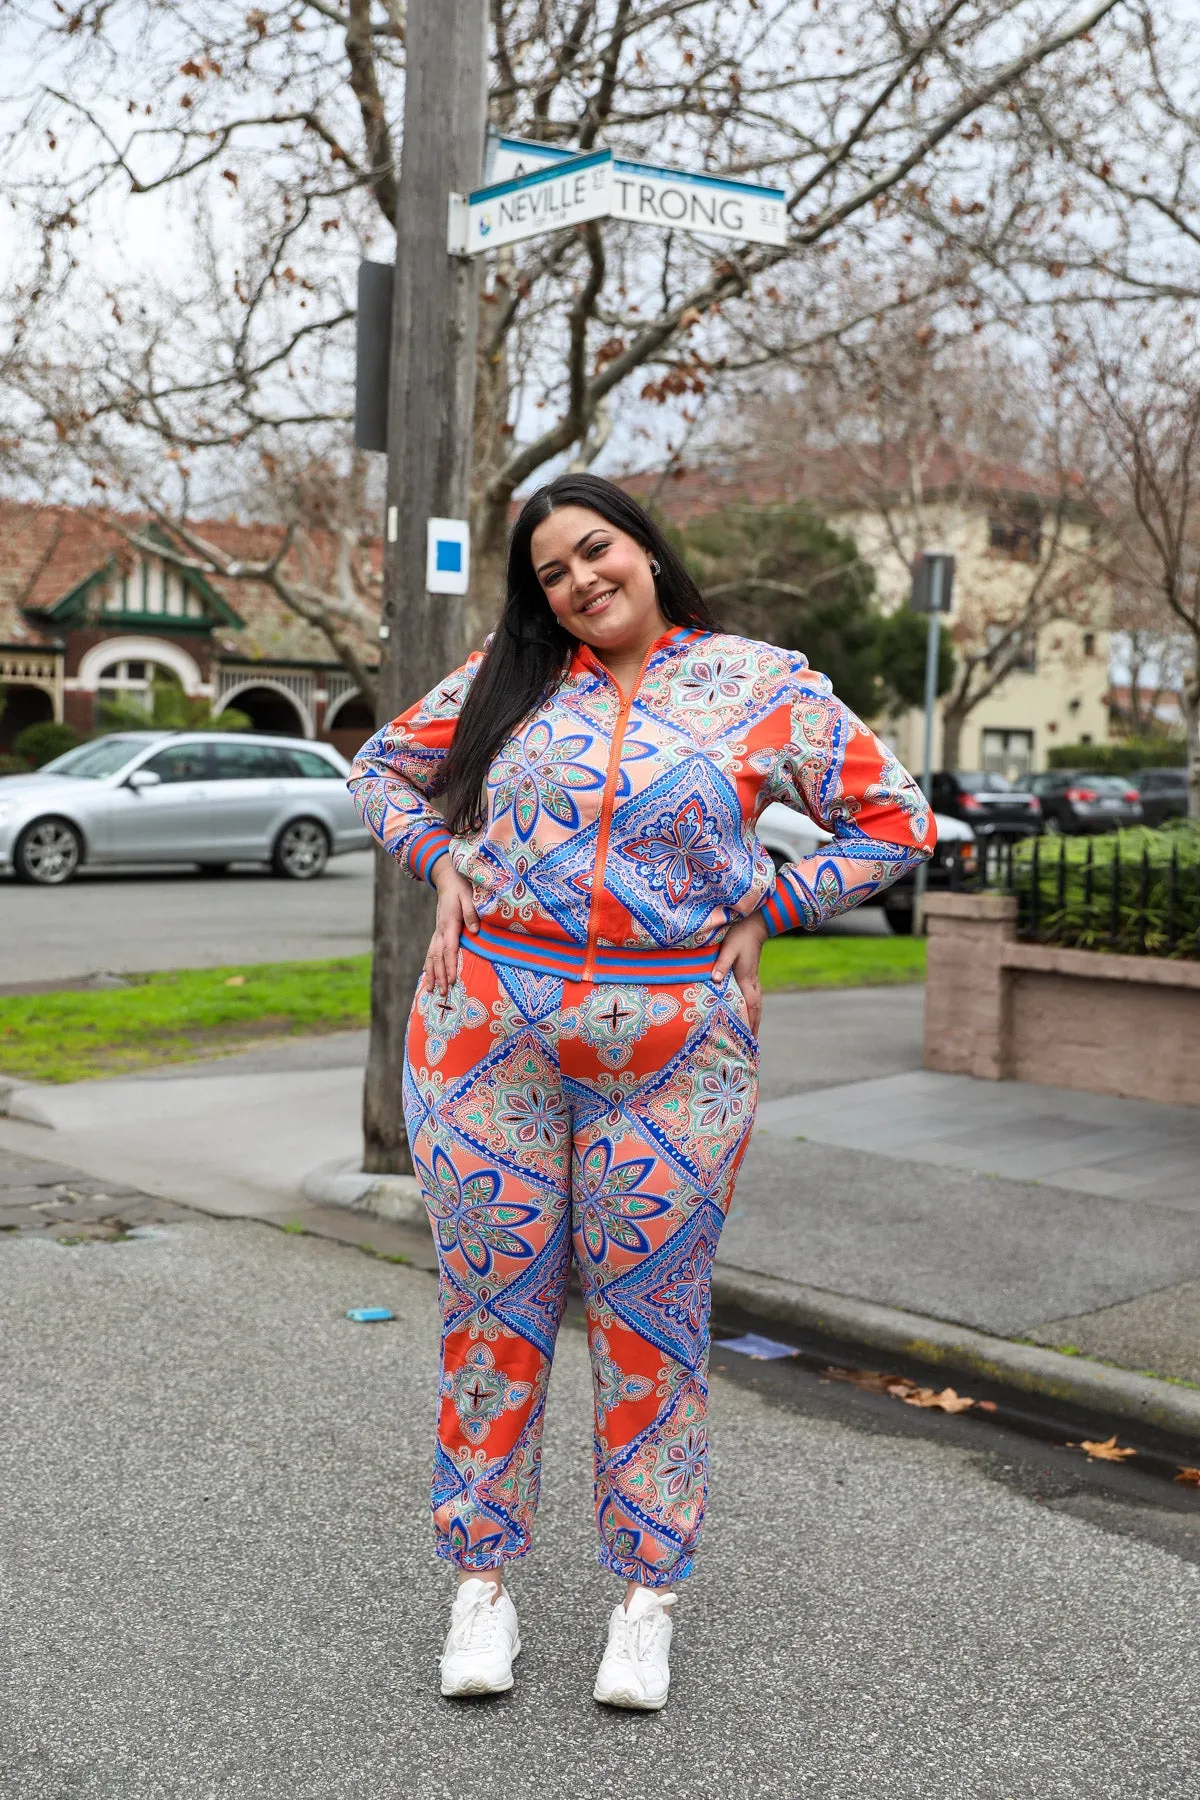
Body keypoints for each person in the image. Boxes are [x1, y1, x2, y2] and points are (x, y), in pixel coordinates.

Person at [348, 473, 933, 1710]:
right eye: (552, 573)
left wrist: (774, 907)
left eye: (594, 550)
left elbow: (896, 822)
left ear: (646, 550)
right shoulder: (506, 681)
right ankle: (482, 1585)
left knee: (650, 1321)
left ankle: (643, 1602)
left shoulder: (760, 685)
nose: (578, 582)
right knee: (491, 1309)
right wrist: (441, 857)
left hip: (675, 1046)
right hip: (485, 1030)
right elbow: (380, 772)